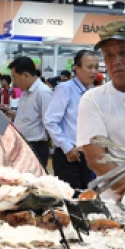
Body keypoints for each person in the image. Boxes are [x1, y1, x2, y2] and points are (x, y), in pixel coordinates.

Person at [77, 20, 125, 200]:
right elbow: (97, 159)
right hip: (116, 201)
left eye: (124, 52)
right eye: (109, 55)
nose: (116, 61)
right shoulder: (93, 99)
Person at [44, 50, 99, 191]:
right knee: (71, 197)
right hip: (68, 154)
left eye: (96, 67)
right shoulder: (65, 89)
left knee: (87, 195)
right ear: (77, 68)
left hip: (87, 154)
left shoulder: (92, 92)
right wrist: (67, 147)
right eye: (89, 67)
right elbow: (50, 120)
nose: (93, 72)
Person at [4, 57, 52, 168]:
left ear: (25, 75)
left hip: (36, 146)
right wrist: (13, 114)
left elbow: (49, 122)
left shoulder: (42, 92)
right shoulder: (25, 92)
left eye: (15, 77)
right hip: (23, 144)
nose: (14, 81)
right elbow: (29, 116)